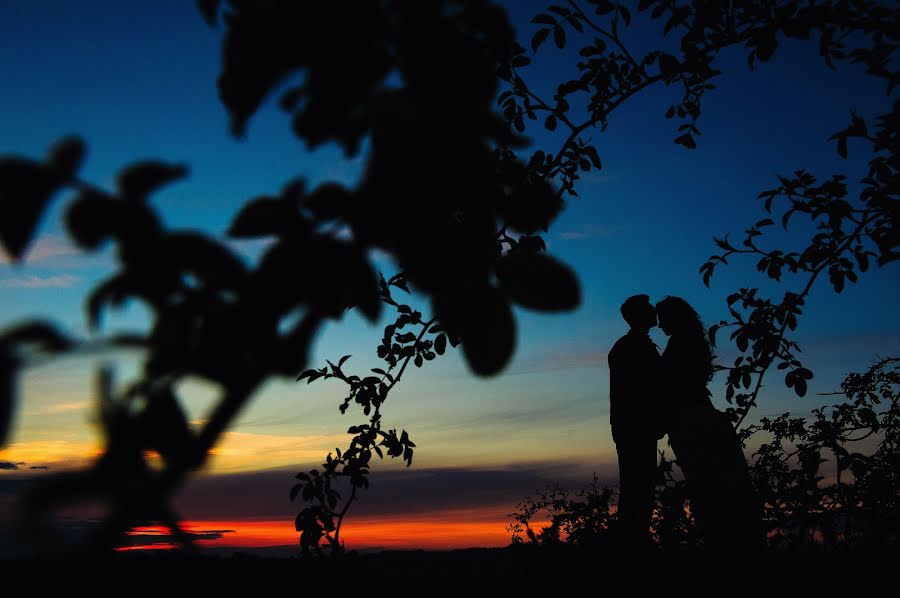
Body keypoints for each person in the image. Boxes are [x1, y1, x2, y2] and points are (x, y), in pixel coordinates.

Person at [655, 296, 762, 550]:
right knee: (716, 484)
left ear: (674, 318)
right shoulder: (691, 342)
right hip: (697, 414)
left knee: (708, 485)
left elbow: (672, 385)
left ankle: (723, 546)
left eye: (662, 320)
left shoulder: (680, 344)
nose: (659, 326)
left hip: (690, 419)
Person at [607, 294, 662, 547]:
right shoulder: (629, 347)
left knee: (640, 486)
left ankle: (634, 539)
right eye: (648, 308)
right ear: (636, 316)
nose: (654, 311)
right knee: (637, 487)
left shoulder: (635, 345)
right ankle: (632, 543)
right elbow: (637, 391)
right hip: (634, 428)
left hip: (636, 427)